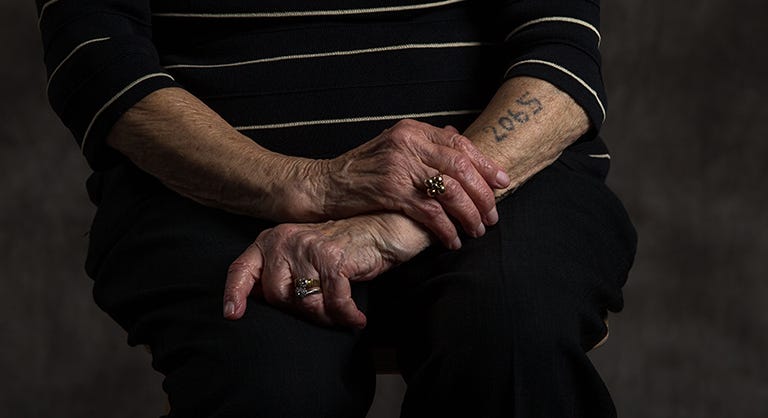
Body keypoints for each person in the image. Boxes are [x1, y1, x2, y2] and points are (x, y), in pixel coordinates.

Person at [37, 0, 637, 416]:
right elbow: (96, 59)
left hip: (486, 167)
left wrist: (393, 223)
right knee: (272, 390)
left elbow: (561, 56)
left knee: (510, 337)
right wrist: (308, 186)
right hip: (212, 185)